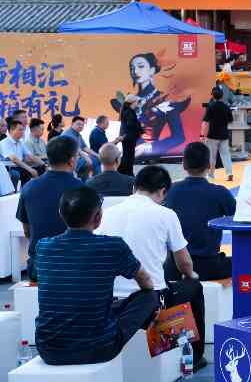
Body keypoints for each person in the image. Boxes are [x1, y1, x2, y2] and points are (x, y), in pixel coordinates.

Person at [35, 187, 160, 366]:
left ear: (61, 214)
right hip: (99, 348)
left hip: (49, 350)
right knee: (150, 297)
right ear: (98, 218)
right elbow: (146, 282)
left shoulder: (43, 247)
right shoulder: (113, 246)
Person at [98, 166, 207, 367]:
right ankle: (194, 358)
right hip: (150, 302)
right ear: (163, 191)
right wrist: (190, 275)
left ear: (134, 187)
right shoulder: (165, 214)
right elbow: (184, 262)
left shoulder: (106, 214)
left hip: (110, 301)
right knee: (193, 287)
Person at [164, 142, 236, 281]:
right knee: (242, 262)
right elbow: (241, 219)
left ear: (184, 164)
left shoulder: (170, 191)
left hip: (175, 267)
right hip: (210, 266)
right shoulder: (220, 193)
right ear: (209, 165)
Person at [16, 136, 84, 280]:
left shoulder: (28, 187)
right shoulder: (81, 189)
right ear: (72, 161)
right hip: (74, 265)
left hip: (39, 267)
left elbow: (27, 231)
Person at [112, 52, 191, 157]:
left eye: (141, 66)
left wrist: (148, 148)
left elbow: (178, 137)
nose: (135, 71)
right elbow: (123, 130)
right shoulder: (129, 101)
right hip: (128, 155)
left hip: (150, 155)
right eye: (132, 68)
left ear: (152, 70)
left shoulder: (166, 101)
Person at [201, 86, 234, 182]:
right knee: (226, 155)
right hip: (224, 135)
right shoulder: (226, 107)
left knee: (212, 156)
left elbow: (205, 122)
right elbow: (230, 120)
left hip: (212, 135)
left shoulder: (210, 107)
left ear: (212, 96)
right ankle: (229, 173)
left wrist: (202, 135)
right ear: (222, 96)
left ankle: (211, 175)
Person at [1, 118, 44, 186]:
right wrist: (30, 169)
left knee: (40, 169)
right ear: (11, 130)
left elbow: (31, 156)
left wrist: (44, 165)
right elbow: (14, 159)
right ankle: (13, 192)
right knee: (17, 174)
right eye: (20, 130)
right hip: (9, 168)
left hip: (19, 167)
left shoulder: (21, 142)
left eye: (23, 130)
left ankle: (27, 190)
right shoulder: (4, 143)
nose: (23, 132)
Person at [118, 93, 142, 176]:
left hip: (127, 137)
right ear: (133, 102)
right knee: (129, 156)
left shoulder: (126, 111)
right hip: (129, 137)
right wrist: (139, 127)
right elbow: (132, 125)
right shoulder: (129, 112)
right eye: (136, 102)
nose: (137, 103)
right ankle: (128, 173)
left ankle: (125, 172)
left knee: (127, 155)